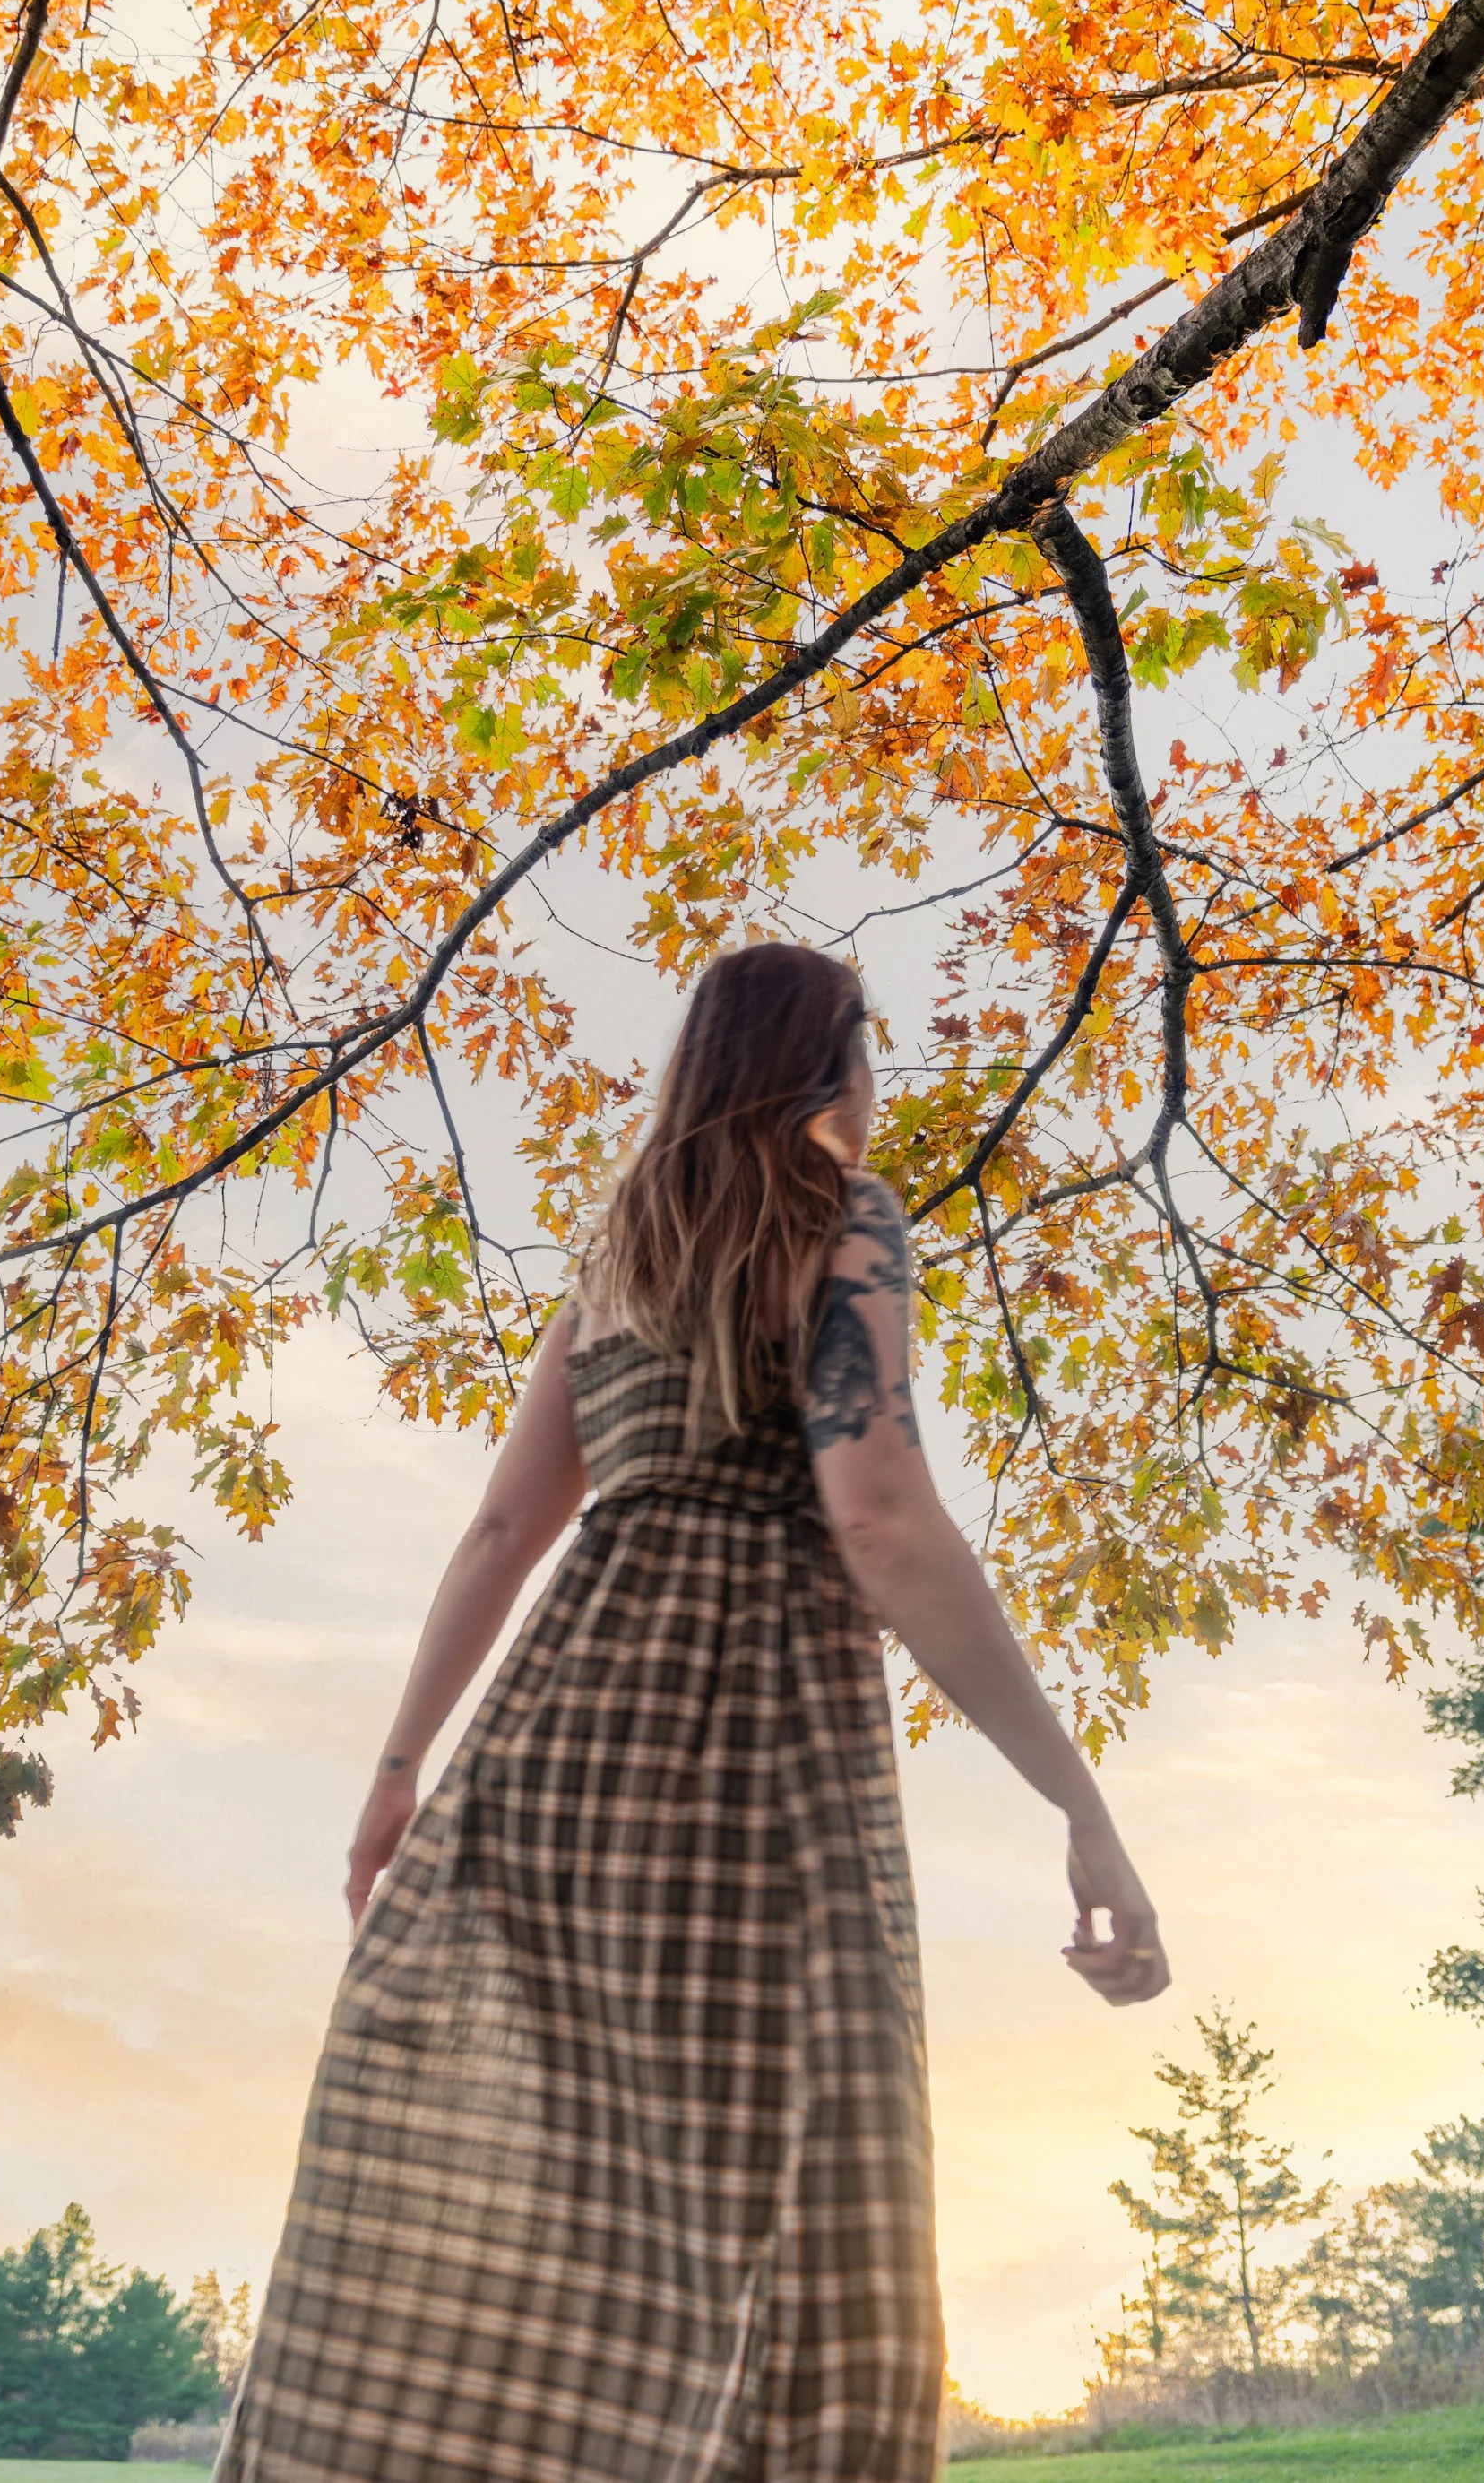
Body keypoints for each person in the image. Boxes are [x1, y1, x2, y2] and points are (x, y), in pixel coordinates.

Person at [220, 941, 1167, 2483]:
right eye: (872, 1050)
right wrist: (1080, 1800)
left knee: (586, 2217)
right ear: (832, 1063)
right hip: (754, 1762)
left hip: (555, 1749)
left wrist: (397, 1779)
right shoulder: (845, 1219)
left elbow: (499, 1537)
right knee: (819, 2201)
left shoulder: (619, 1258)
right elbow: (881, 1522)